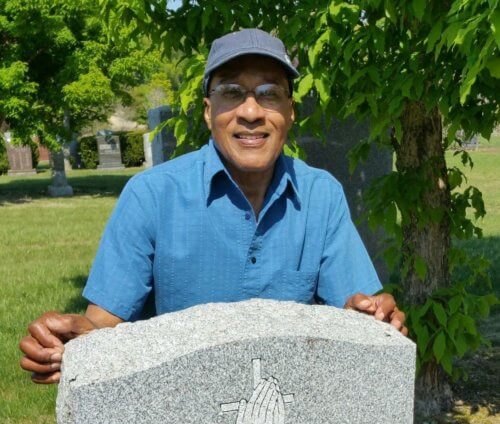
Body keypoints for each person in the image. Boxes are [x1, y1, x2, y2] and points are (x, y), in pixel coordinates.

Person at [19, 28, 407, 384]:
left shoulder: (321, 195)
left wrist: (373, 316)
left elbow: (355, 310)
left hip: (287, 409)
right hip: (180, 408)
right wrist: (73, 343)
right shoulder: (151, 196)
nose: (251, 112)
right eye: (232, 92)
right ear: (208, 111)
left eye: (270, 93)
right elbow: (102, 325)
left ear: (289, 112)